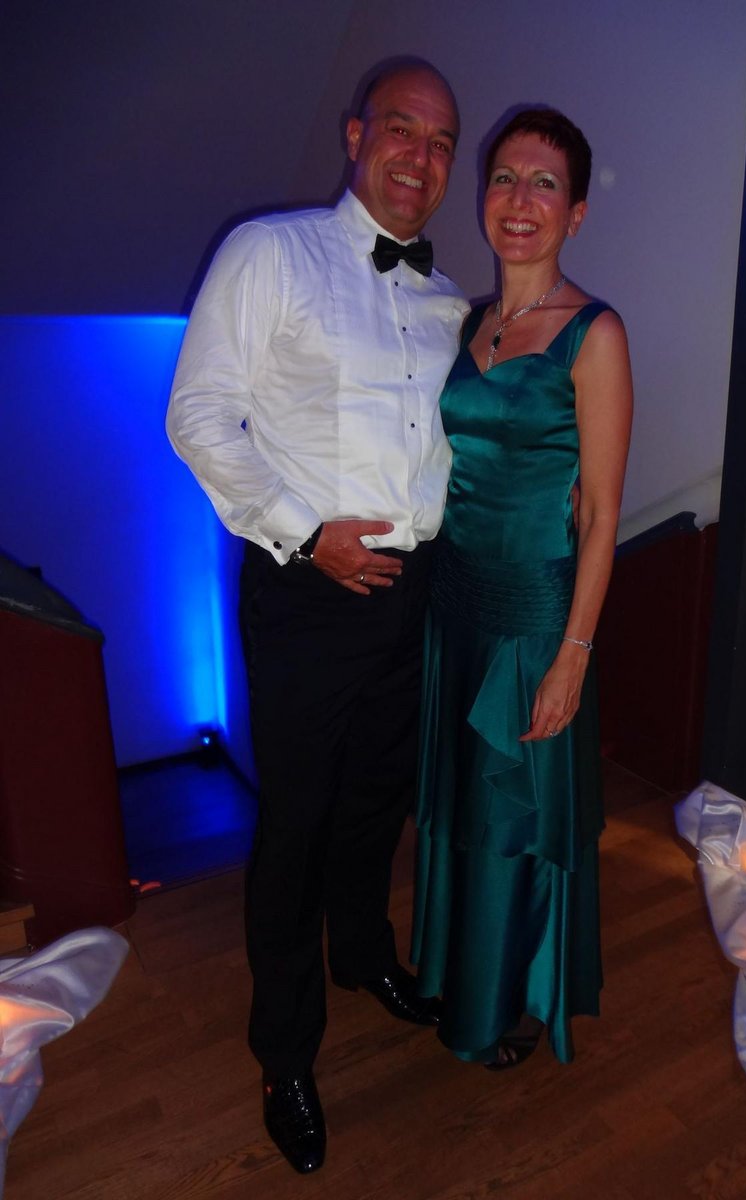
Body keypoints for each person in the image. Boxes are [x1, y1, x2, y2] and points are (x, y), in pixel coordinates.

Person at [166, 61, 468, 1174]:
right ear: (355, 135)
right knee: (294, 826)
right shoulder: (271, 252)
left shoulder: (448, 302)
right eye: (402, 129)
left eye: (441, 142)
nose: (421, 157)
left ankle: (365, 955)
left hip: (414, 592)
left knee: (377, 799)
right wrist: (306, 533)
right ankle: (285, 1055)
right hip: (307, 592)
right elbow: (200, 414)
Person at [411, 108, 633, 1069]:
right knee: (463, 805)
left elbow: (603, 514)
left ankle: (503, 1000)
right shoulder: (470, 323)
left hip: (534, 618)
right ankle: (458, 971)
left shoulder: (595, 333)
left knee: (512, 816)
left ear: (575, 213)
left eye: (545, 184)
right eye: (505, 177)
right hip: (454, 602)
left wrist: (573, 655)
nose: (520, 200)